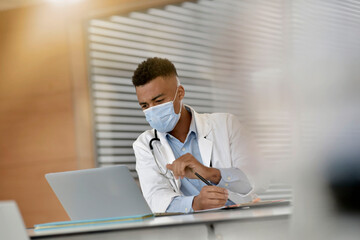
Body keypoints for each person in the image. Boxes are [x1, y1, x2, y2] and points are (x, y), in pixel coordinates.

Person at [132, 57, 261, 213]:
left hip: (239, 223)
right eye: (145, 105)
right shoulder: (144, 145)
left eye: (158, 101)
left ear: (180, 93)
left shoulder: (227, 125)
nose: (152, 110)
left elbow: (257, 181)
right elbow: (155, 199)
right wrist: (195, 203)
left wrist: (211, 174)